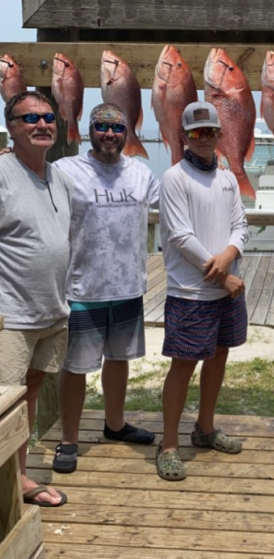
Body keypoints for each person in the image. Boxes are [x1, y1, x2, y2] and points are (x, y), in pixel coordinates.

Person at [51, 104, 160, 474]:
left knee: (119, 360)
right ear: (88, 130)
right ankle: (69, 439)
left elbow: (176, 202)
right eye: (101, 126)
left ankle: (115, 425)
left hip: (129, 287)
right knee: (76, 366)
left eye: (116, 127)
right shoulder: (66, 170)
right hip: (83, 289)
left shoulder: (142, 173)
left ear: (127, 132)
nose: (109, 133)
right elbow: (31, 180)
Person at [156, 101, 249, 481]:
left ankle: (205, 428)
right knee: (183, 366)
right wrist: (222, 275)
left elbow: (240, 224)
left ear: (220, 135)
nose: (204, 139)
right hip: (191, 292)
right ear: (184, 137)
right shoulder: (174, 178)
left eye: (210, 132)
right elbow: (180, 236)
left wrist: (230, 253)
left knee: (219, 356)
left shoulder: (227, 177)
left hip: (226, 290)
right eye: (196, 133)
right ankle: (169, 444)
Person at [0, 91, 73, 506]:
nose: (42, 124)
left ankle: (20, 476)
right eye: (30, 119)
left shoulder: (58, 176)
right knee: (4, 401)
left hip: (52, 311)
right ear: (12, 127)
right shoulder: (2, 172)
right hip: (11, 314)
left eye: (48, 117)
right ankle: (7, 489)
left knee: (29, 394)